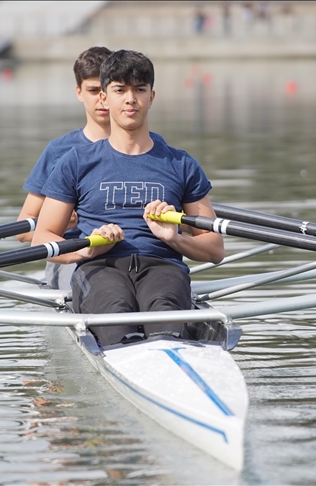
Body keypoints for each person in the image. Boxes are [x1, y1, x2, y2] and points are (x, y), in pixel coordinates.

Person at [33, 50, 225, 346]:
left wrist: (174, 239)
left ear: (152, 97)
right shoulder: (76, 161)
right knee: (117, 313)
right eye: (120, 90)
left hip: (163, 266)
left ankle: (170, 349)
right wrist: (86, 250)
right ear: (105, 99)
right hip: (99, 267)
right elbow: (41, 238)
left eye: (139, 89)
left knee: (165, 315)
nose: (130, 99)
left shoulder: (181, 164)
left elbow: (214, 249)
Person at [17, 46, 165, 290]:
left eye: (107, 89)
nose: (101, 100)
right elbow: (24, 229)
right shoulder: (60, 152)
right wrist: (67, 225)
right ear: (79, 92)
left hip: (143, 255)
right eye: (93, 91)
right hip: (77, 256)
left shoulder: (155, 148)